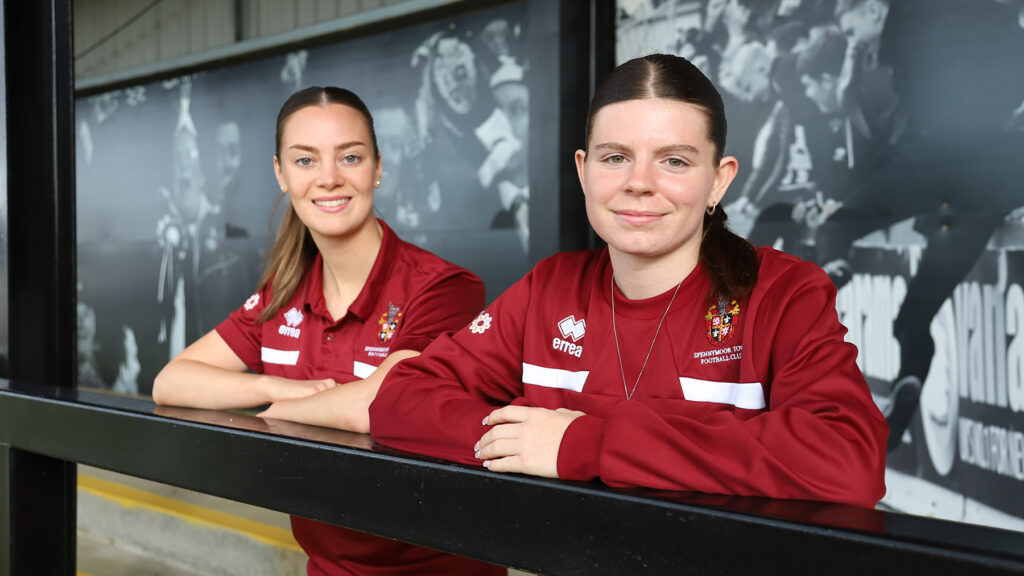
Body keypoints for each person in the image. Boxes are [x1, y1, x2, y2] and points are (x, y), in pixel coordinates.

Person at [370, 54, 888, 509]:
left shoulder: (782, 293)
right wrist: (523, 436)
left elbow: (846, 461)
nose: (639, 183)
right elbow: (399, 401)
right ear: (583, 171)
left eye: (674, 161)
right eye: (615, 157)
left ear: (719, 179)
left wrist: (582, 442)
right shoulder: (550, 288)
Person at [153, 86, 501, 575]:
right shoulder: (286, 291)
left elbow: (383, 401)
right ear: (281, 173)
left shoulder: (444, 289)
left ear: (378, 167)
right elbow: (172, 381)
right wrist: (274, 385)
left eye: (350, 157)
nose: (330, 179)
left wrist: (277, 413)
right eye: (305, 160)